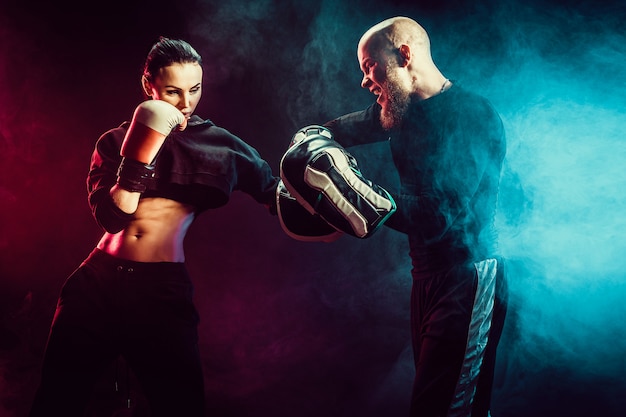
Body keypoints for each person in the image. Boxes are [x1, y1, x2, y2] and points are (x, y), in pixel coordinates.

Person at [29, 37, 278, 417]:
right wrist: (140, 152)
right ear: (149, 87)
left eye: (195, 89)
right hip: (97, 283)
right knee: (55, 402)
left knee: (181, 406)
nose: (185, 103)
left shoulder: (223, 147)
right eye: (173, 91)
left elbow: (275, 197)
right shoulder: (114, 142)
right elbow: (112, 217)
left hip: (161, 290)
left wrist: (323, 203)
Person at [278, 16, 508, 417]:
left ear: (404, 55)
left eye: (370, 67)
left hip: (468, 275)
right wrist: (311, 141)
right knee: (445, 402)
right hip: (426, 277)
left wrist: (369, 201)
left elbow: (444, 214)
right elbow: (336, 131)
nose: (366, 81)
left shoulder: (472, 115)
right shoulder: (401, 111)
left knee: (449, 409)